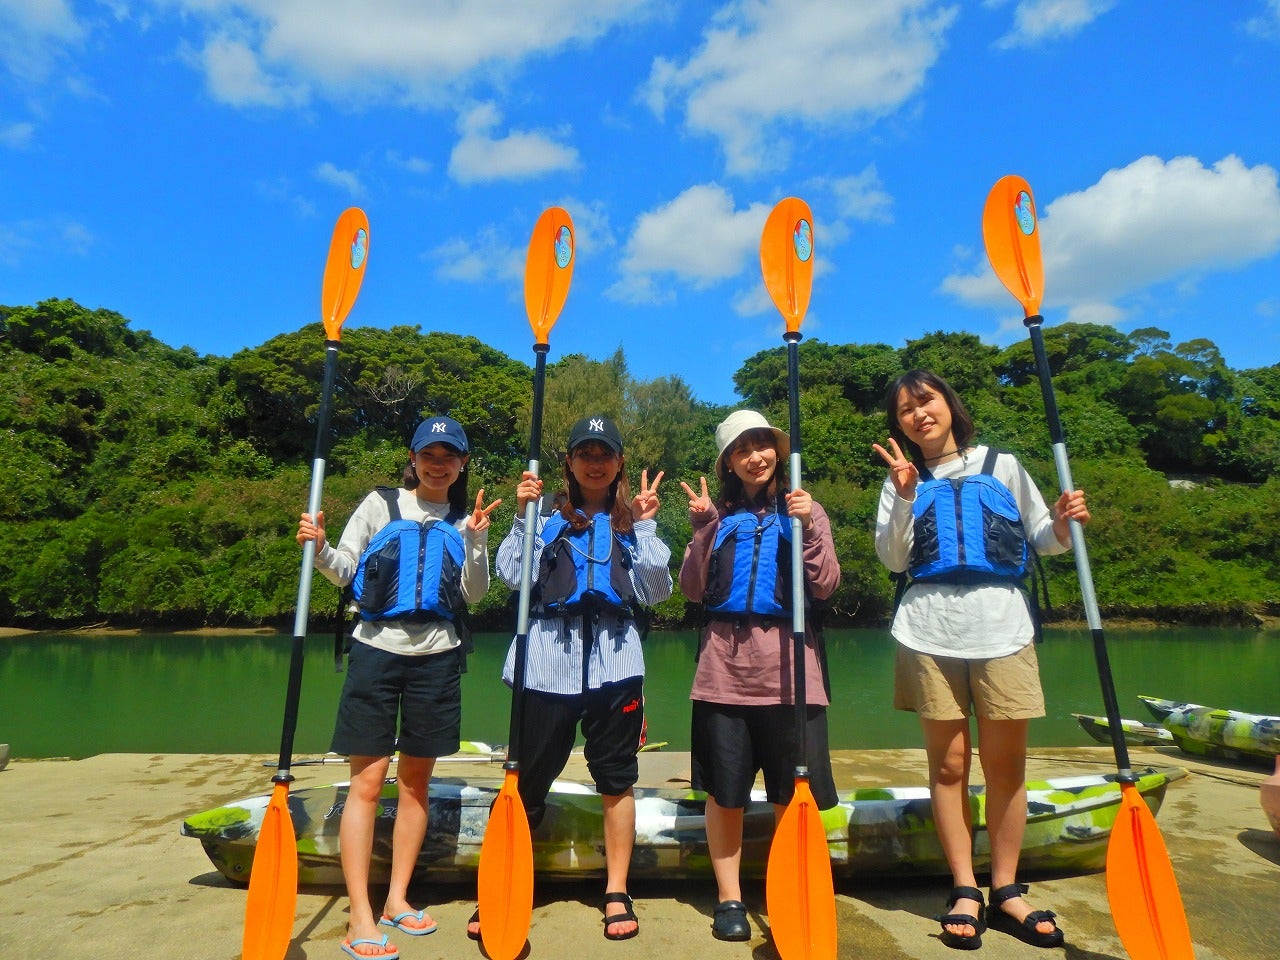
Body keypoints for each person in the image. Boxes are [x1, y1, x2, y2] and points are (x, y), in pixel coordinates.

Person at [872, 370, 1090, 951]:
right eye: (905, 410)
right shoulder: (904, 479)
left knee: (1006, 766)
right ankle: (964, 887)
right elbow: (894, 560)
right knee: (948, 768)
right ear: (898, 425)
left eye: (927, 401)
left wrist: (1066, 521)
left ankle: (1007, 887)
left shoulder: (1004, 465)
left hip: (1002, 628)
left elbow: (1044, 537)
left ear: (948, 403)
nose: (919, 414)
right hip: (928, 630)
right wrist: (902, 494)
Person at [297, 415, 500, 960]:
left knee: (415, 782)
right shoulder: (379, 504)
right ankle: (359, 914)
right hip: (376, 651)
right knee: (366, 783)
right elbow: (345, 570)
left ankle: (396, 899)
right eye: (429, 455)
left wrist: (477, 542)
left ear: (461, 465)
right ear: (412, 459)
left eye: (449, 456)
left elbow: (474, 593)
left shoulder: (465, 519)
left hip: (437, 655)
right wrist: (317, 547)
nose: (438, 465)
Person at [469, 414, 672, 942]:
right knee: (526, 777)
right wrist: (523, 516)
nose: (596, 462)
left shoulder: (633, 524)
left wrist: (648, 525)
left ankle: (617, 890)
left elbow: (656, 592)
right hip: (545, 661)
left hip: (617, 663)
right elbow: (513, 576)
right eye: (586, 453)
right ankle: (501, 879)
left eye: (605, 453)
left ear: (619, 463)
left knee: (616, 779)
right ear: (570, 463)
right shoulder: (547, 517)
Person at [677, 409, 841, 942]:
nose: (756, 457)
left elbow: (825, 585)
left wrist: (811, 522)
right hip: (723, 667)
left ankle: (789, 885)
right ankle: (729, 898)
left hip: (792, 668)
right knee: (724, 792)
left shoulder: (805, 510)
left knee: (793, 791)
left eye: (764, 445)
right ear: (729, 462)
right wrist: (702, 530)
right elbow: (694, 590)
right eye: (743, 450)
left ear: (778, 451)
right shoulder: (716, 517)